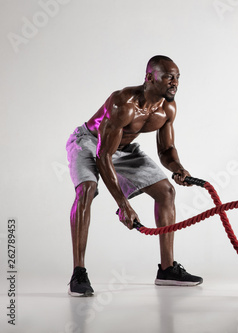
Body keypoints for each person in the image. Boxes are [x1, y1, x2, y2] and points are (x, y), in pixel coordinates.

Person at [66, 55, 202, 296]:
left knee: (167, 192)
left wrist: (178, 168)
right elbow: (102, 155)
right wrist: (123, 204)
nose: (175, 82)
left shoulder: (167, 108)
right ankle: (79, 273)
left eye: (178, 77)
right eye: (169, 77)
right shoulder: (123, 103)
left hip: (122, 149)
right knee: (86, 189)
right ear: (150, 77)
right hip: (90, 142)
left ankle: (167, 269)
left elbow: (166, 151)